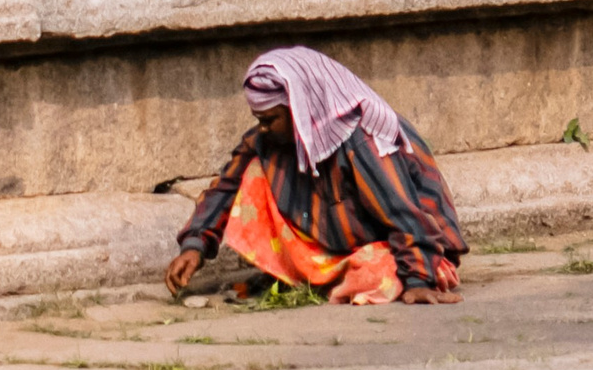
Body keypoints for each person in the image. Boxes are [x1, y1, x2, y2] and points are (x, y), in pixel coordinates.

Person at [164, 48, 468, 305]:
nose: (265, 129)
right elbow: (225, 188)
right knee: (253, 171)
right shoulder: (268, 139)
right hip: (336, 249)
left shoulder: (362, 138)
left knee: (379, 275)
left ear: (299, 109)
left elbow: (403, 211)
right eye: (260, 121)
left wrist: (418, 279)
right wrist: (195, 246)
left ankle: (383, 276)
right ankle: (316, 276)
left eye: (271, 120)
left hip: (407, 248)